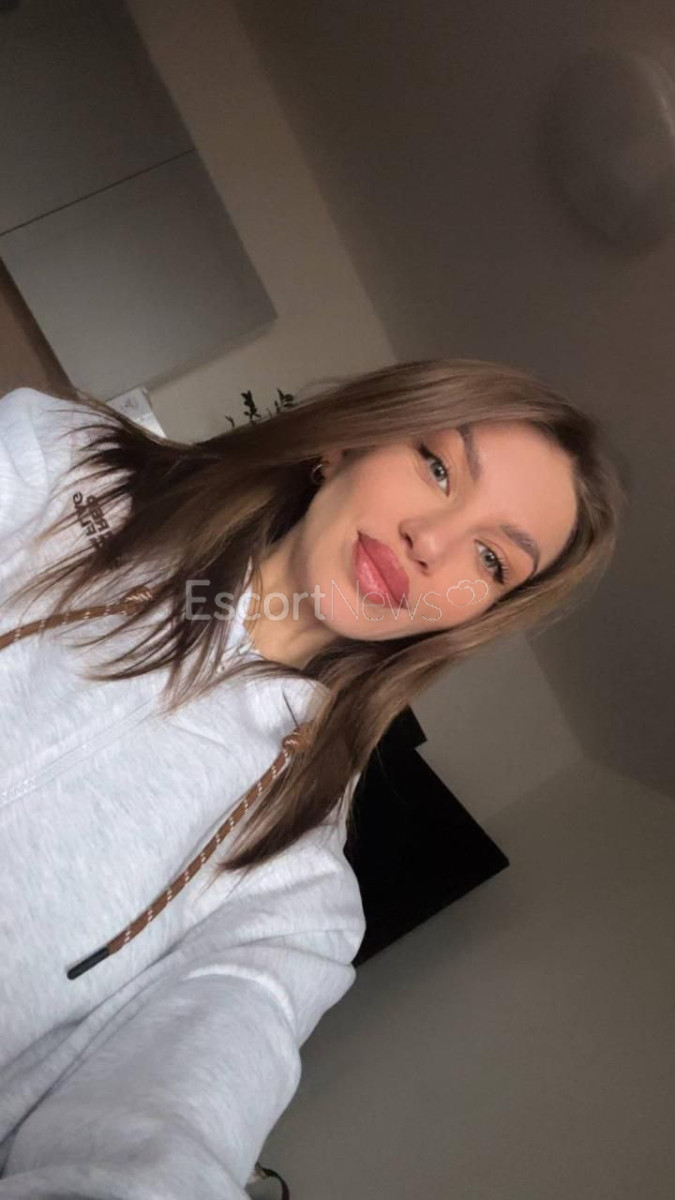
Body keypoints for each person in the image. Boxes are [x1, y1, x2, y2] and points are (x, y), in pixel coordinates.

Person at [0, 358, 626, 1198]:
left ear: (478, 614)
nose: (432, 542)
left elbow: (158, 1143)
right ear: (342, 444)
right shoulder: (60, 464)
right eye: (438, 466)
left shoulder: (296, 895)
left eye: (489, 556)